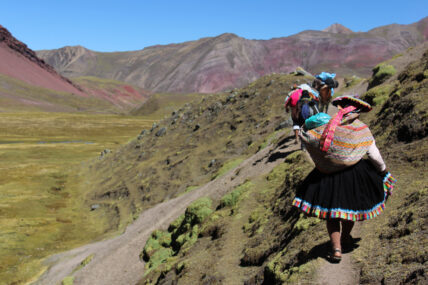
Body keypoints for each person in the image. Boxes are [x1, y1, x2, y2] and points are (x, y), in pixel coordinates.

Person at [292, 95, 395, 262]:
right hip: (354, 175)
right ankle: (346, 237)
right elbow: (374, 155)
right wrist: (383, 171)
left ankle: (336, 248)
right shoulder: (360, 128)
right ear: (357, 112)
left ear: (341, 109)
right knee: (349, 210)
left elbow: (310, 141)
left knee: (332, 215)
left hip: (326, 176)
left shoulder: (325, 128)